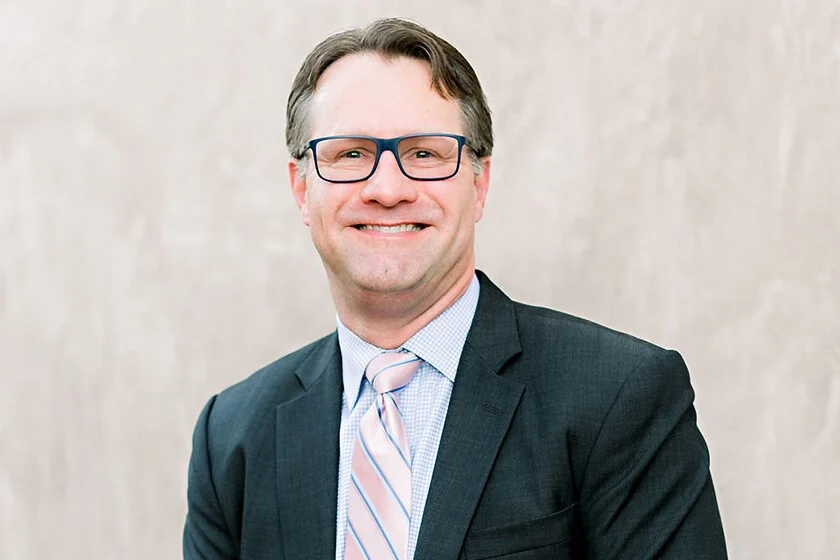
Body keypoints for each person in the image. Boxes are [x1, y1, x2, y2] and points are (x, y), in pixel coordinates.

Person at [183, 18, 727, 560]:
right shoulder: (231, 437)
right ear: (302, 189)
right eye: (350, 154)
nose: (387, 189)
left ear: (479, 183)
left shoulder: (619, 396)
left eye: (425, 154)